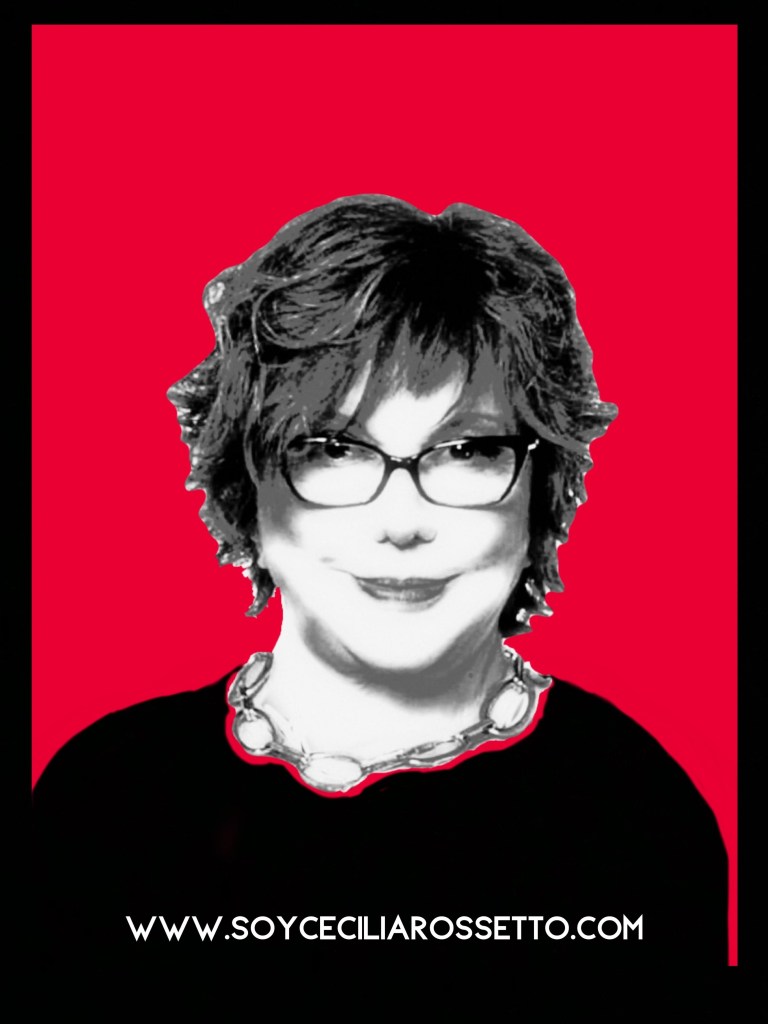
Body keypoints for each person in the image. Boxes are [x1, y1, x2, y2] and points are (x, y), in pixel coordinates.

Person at [33, 195, 727, 964]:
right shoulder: (102, 799)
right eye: (334, 448)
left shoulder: (638, 820)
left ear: (540, 493)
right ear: (246, 485)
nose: (402, 521)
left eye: (467, 451)